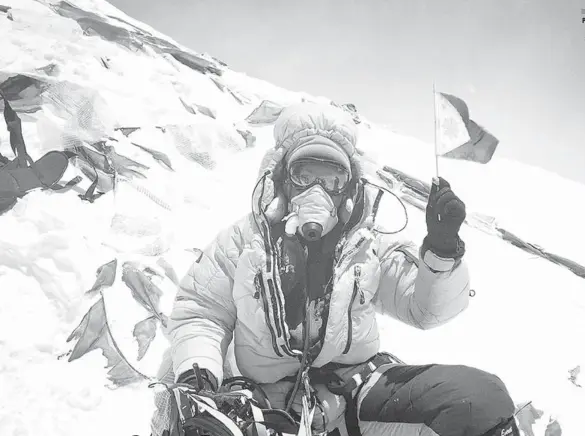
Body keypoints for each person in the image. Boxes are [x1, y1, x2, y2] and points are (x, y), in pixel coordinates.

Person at [152, 102, 520, 436]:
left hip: (352, 392)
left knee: (479, 402)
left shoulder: (367, 245)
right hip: (260, 402)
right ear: (281, 179)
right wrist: (198, 379)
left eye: (331, 180)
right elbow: (201, 313)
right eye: (303, 175)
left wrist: (441, 253)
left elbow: (426, 310)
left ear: (349, 190)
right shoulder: (242, 241)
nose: (317, 191)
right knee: (185, 403)